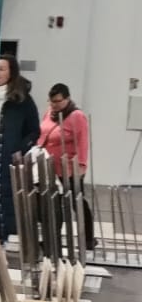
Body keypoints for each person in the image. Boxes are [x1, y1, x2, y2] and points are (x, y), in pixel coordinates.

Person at [0, 56, 40, 243]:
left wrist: (19, 149)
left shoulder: (22, 99)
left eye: (2, 69)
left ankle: (0, 238)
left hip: (6, 154)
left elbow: (33, 130)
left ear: (11, 72)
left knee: (2, 196)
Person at [39, 82, 94, 246]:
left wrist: (81, 165)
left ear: (67, 99)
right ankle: (52, 238)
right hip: (49, 166)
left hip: (69, 168)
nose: (54, 105)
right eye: (52, 101)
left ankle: (88, 238)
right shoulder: (49, 113)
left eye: (58, 101)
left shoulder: (77, 116)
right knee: (52, 203)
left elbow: (82, 141)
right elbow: (42, 134)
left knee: (76, 202)